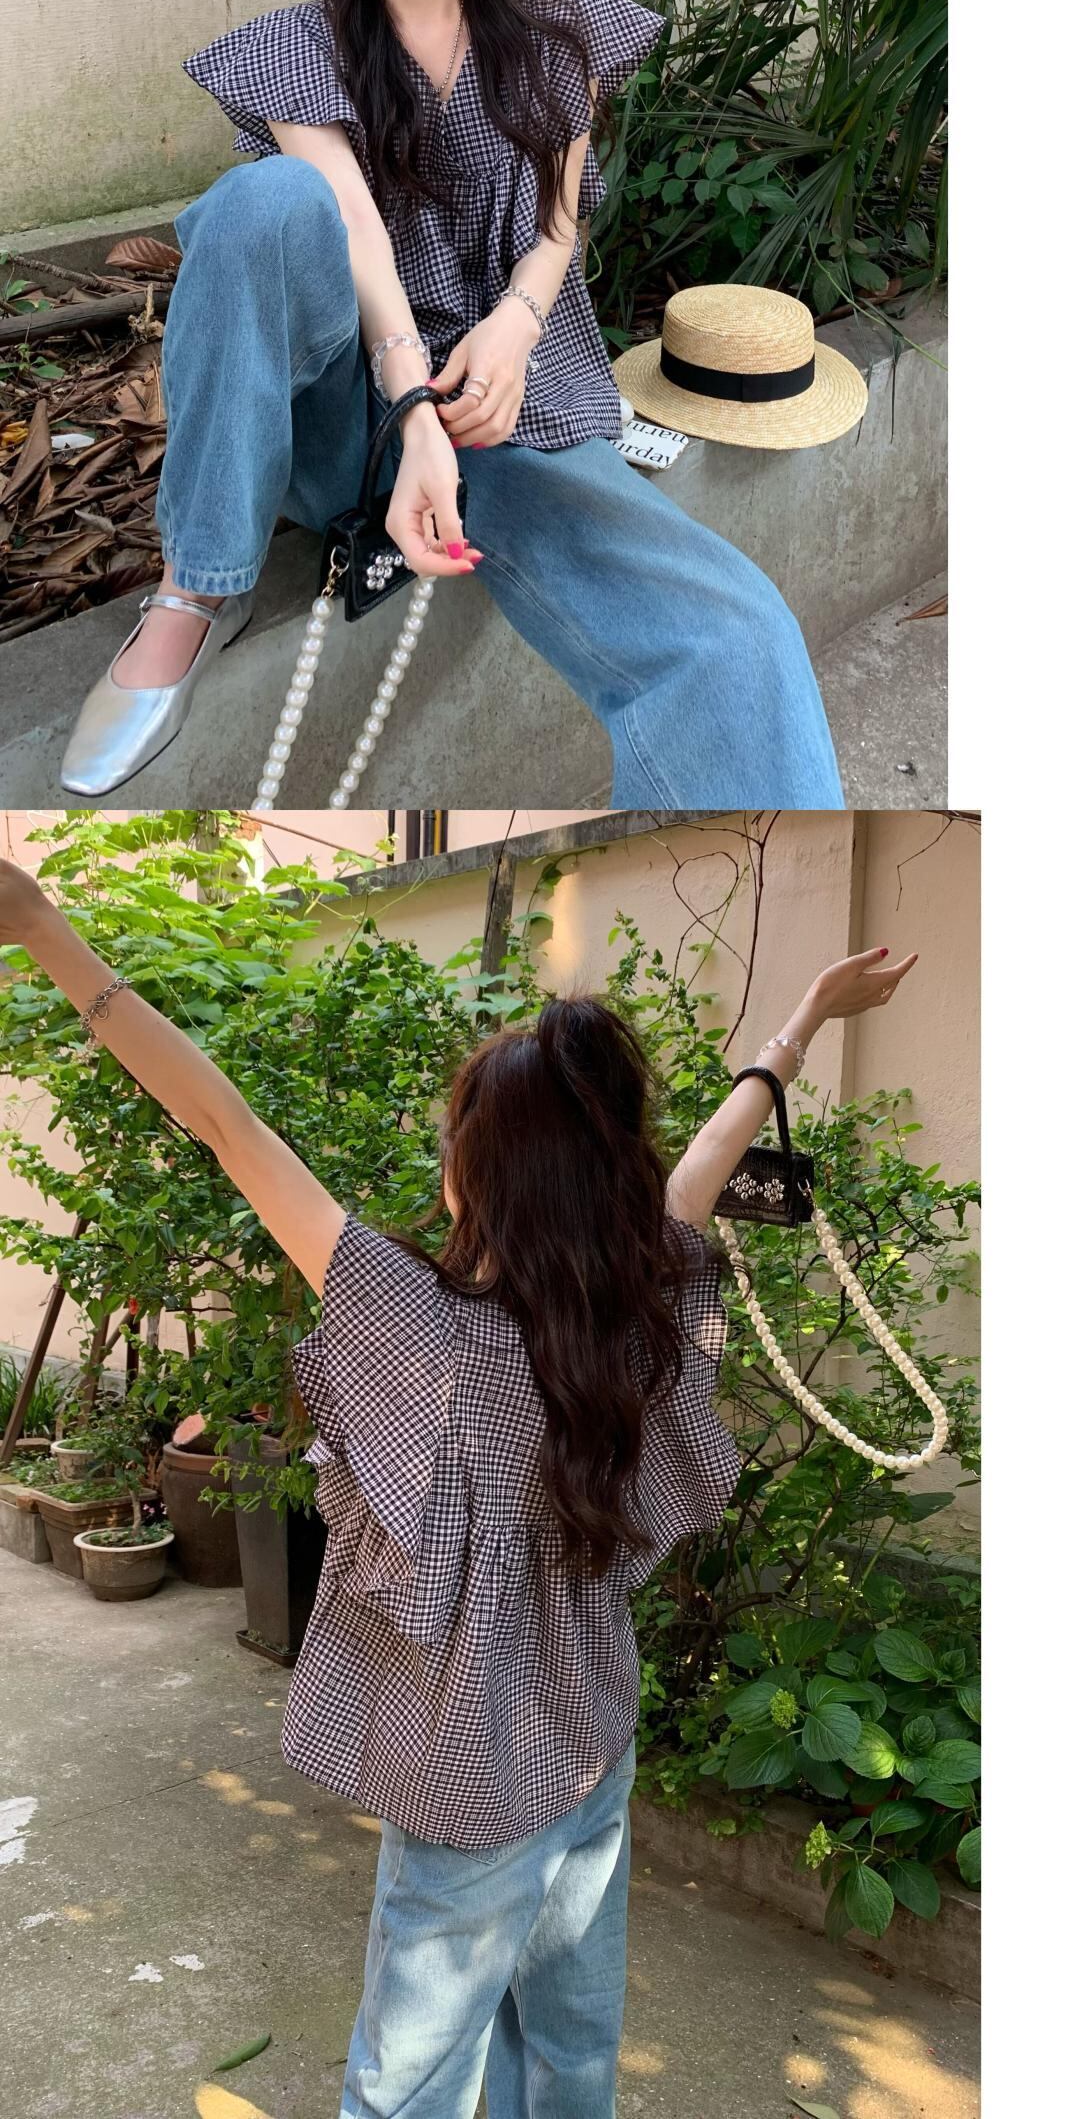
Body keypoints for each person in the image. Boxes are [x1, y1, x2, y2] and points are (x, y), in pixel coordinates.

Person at [0, 849, 916, 2119]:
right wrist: (799, 1024)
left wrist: (42, 925)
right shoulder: (635, 1304)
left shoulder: (420, 1326)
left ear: (477, 1177)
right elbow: (712, 1151)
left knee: (413, 2082)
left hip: (471, 1778)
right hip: (594, 1741)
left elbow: (225, 1123)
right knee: (572, 2049)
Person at [60, 0, 843, 814]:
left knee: (740, 637)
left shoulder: (560, 31)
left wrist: (517, 327)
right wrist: (412, 413)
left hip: (510, 410)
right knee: (264, 204)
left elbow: (560, 221)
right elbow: (354, 228)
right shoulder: (299, 49)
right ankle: (198, 587)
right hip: (353, 416)